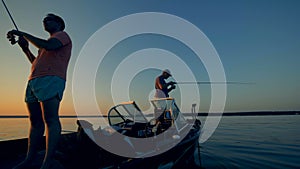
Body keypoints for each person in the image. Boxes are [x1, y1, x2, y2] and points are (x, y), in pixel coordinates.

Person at [7, 13, 72, 169]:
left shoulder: (62, 36)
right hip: (33, 81)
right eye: (44, 20)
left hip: (51, 79)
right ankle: (29, 159)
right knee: (35, 122)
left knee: (50, 120)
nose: (45, 21)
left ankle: (47, 163)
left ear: (59, 23)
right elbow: (34, 62)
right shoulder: (44, 45)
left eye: (49, 19)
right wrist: (25, 48)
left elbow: (49, 46)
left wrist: (22, 34)